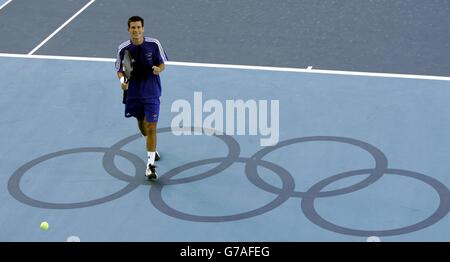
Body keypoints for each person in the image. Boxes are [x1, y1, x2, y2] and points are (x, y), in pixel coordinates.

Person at [115, 16, 168, 180]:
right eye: (133, 27)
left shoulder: (154, 44)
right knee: (142, 124)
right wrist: (123, 81)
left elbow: (162, 63)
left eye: (138, 27)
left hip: (151, 91)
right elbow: (120, 69)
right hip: (134, 93)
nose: (136, 30)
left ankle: (150, 166)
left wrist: (159, 70)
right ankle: (153, 148)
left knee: (151, 126)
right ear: (128, 29)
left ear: (143, 28)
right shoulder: (123, 48)